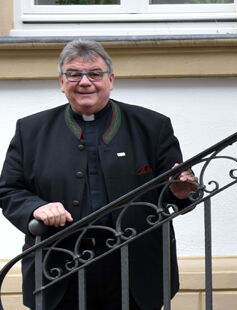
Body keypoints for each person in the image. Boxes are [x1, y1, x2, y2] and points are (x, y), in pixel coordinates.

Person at [0, 40, 198, 310]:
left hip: (134, 268)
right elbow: (10, 190)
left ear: (111, 79)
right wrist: (37, 208)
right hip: (59, 268)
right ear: (61, 81)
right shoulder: (31, 131)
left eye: (94, 74)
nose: (84, 82)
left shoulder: (152, 126)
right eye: (73, 74)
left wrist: (182, 192)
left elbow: (178, 190)